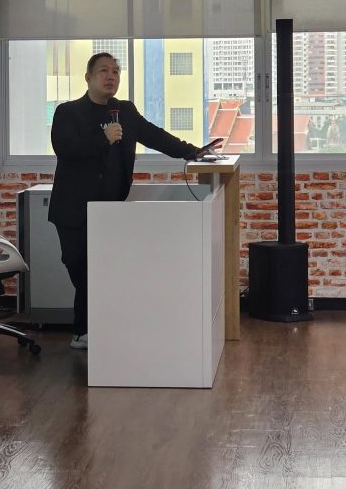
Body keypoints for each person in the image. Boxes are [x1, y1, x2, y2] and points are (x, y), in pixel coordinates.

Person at [48, 52, 220, 350]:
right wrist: (104, 138)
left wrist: (192, 152)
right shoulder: (68, 112)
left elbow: (155, 136)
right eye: (103, 71)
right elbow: (65, 149)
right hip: (73, 208)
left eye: (115, 71)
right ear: (88, 77)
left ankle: (88, 332)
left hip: (110, 209)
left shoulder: (124, 111)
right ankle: (86, 329)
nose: (111, 76)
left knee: (102, 269)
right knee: (78, 265)